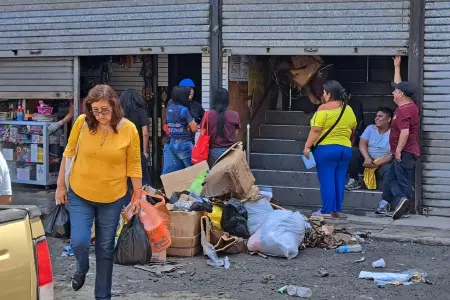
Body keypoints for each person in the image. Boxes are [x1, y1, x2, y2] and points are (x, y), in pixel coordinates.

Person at [55, 84, 141, 300]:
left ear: (114, 106)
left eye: (105, 110)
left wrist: (138, 194)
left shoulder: (129, 129)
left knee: (105, 249)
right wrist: (60, 186)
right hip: (80, 193)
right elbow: (68, 153)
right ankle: (81, 268)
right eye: (95, 110)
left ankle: (103, 296)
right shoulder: (82, 123)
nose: (100, 115)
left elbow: (134, 164)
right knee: (80, 242)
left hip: (112, 197)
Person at [303, 80, 357, 219]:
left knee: (327, 180)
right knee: (339, 179)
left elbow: (315, 130)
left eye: (324, 92)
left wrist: (307, 146)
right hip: (345, 149)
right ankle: (336, 211)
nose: (323, 95)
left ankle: (326, 211)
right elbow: (353, 130)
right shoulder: (348, 109)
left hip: (327, 149)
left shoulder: (323, 108)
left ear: (329, 94)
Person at [376, 56, 420, 219]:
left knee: (402, 181)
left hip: (405, 152)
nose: (393, 92)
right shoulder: (409, 105)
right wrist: (397, 66)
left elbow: (405, 133)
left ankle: (405, 207)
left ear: (401, 94)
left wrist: (399, 151)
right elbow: (398, 85)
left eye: (395, 91)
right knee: (391, 177)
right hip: (403, 151)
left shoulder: (403, 111)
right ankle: (393, 204)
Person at [345, 107, 393, 191]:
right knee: (352, 151)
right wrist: (367, 158)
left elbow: (392, 154)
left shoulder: (393, 132)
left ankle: (387, 196)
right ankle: (354, 180)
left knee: (390, 168)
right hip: (366, 162)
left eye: (380, 116)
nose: (376, 118)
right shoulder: (371, 128)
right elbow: (362, 143)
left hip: (382, 164)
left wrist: (376, 164)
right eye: (376, 116)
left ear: (388, 119)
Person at [120, 89, 151, 191]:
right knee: (142, 179)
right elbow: (145, 132)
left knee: (125, 181)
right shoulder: (141, 111)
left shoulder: (120, 114)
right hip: (137, 151)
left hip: (122, 151)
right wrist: (145, 151)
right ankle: (142, 203)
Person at [164, 86, 198, 173]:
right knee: (193, 172)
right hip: (184, 144)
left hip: (173, 143)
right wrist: (189, 127)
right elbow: (194, 128)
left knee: (179, 172)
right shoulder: (184, 110)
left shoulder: (169, 108)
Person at [206, 88, 240, 167]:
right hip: (229, 152)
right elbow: (236, 133)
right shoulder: (234, 115)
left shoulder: (208, 115)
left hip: (212, 153)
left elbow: (204, 131)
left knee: (213, 177)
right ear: (227, 100)